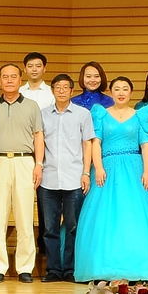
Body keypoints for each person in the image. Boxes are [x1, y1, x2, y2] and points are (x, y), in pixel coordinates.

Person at [74, 77, 148, 284]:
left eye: (125, 89)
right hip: (107, 169)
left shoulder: (141, 115)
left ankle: (142, 268)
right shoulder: (101, 114)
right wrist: (98, 167)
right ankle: (104, 268)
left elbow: (146, 145)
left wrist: (147, 171)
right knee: (105, 217)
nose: (121, 93)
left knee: (136, 216)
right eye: (117, 89)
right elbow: (96, 143)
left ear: (131, 92)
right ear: (111, 92)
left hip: (134, 168)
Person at [0, 63, 44, 283]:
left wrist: (39, 164)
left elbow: (38, 136)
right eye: (5, 77)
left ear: (20, 79)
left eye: (13, 76)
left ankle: (25, 268)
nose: (9, 80)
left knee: (25, 217)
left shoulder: (32, 106)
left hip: (25, 161)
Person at [38, 74, 94, 282]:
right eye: (57, 87)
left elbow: (87, 144)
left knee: (72, 227)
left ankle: (70, 269)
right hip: (48, 177)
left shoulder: (83, 114)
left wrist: (86, 172)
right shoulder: (42, 114)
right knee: (49, 229)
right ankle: (53, 269)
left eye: (65, 87)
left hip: (74, 178)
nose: (61, 91)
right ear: (52, 90)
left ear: (72, 91)